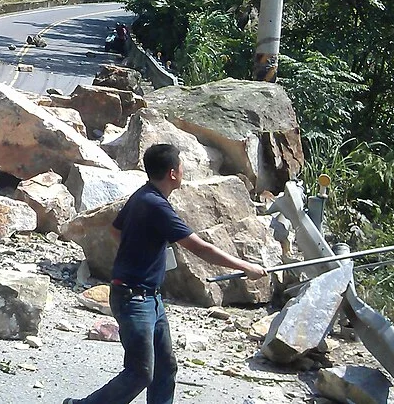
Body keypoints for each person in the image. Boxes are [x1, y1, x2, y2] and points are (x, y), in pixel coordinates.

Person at [64, 144, 267, 404]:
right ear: (173, 173)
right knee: (140, 373)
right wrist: (246, 267)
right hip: (134, 299)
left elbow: (116, 230)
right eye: (181, 166)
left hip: (150, 298)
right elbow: (200, 248)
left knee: (165, 367)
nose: (184, 170)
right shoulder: (156, 206)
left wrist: (142, 249)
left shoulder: (143, 195)